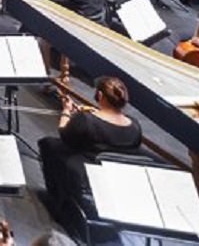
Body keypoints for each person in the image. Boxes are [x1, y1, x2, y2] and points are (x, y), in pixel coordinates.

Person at [38, 75, 142, 218]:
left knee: (49, 144)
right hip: (117, 171)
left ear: (99, 95)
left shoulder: (87, 120)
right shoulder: (135, 125)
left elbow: (64, 133)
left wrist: (66, 112)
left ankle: (59, 202)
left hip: (88, 169)